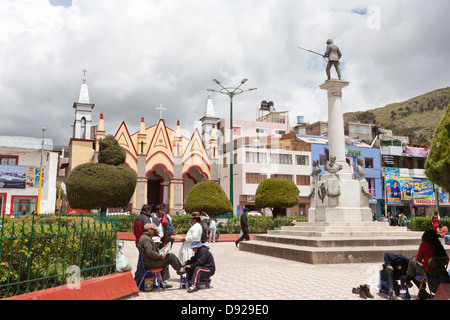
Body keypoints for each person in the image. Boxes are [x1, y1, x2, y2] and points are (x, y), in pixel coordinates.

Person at [137, 223, 185, 289]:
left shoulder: (144, 237)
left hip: (149, 261)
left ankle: (163, 282)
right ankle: (179, 269)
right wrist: (160, 256)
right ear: (149, 230)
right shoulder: (146, 239)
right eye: (152, 230)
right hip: (150, 262)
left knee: (166, 260)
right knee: (170, 256)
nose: (153, 232)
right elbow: (149, 252)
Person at [404, 229, 449, 299]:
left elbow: (418, 259)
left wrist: (424, 260)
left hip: (429, 273)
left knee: (412, 261)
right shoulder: (439, 245)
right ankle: (418, 289)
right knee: (417, 269)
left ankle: (407, 280)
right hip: (441, 271)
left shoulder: (424, 245)